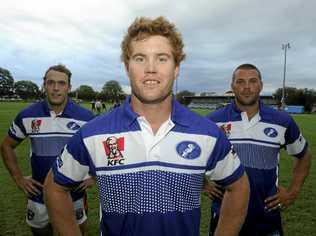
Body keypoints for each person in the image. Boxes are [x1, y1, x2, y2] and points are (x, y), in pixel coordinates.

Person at [44, 17, 249, 236]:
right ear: (127, 66)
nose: (150, 68)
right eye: (140, 58)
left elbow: (239, 187)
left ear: (177, 67)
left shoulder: (207, 133)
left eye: (162, 58)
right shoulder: (93, 133)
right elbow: (54, 187)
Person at [204, 63, 312, 236]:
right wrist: (203, 185)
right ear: (232, 86)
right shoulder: (213, 121)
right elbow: (192, 158)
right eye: (240, 82)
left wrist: (293, 191)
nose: (247, 87)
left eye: (252, 81)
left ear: (261, 85)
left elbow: (304, 155)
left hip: (267, 217)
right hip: (224, 217)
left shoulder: (282, 120)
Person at [0, 64, 95, 236]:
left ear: (69, 87)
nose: (56, 88)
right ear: (44, 85)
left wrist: (93, 176)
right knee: (40, 232)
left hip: (73, 193)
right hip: (38, 193)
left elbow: (101, 150)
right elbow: (7, 145)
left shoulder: (86, 118)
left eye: (61, 83)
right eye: (51, 83)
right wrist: (19, 178)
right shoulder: (27, 115)